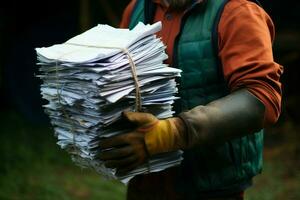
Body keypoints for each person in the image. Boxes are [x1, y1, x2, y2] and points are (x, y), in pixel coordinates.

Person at [99, 0, 283, 199]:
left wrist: (169, 133)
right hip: (145, 180)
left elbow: (260, 99)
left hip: (211, 183)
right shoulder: (136, 9)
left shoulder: (238, 12)